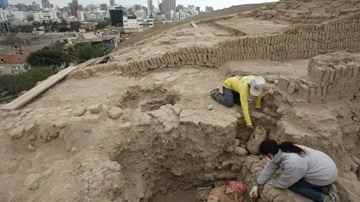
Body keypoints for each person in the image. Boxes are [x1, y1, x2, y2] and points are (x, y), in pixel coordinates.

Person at [249, 139, 338, 202]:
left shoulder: (293, 162)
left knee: (293, 185)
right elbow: (270, 167)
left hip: (326, 175)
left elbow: (283, 184)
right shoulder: (282, 149)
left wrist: (271, 183)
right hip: (325, 166)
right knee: (285, 175)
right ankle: (323, 187)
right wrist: (257, 184)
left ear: (269, 154)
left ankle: (323, 198)